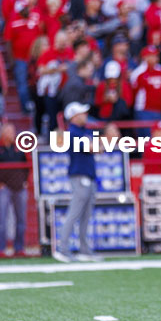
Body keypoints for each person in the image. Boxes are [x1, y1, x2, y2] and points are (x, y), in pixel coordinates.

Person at [55, 101, 99, 263]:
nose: (85, 115)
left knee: (86, 215)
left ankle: (84, 248)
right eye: (81, 113)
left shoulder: (81, 132)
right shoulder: (73, 133)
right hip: (80, 176)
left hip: (87, 175)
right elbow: (93, 147)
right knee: (74, 213)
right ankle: (63, 248)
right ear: (73, 116)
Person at [0, 124, 29, 257]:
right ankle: (0, 249)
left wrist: (25, 181)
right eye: (9, 132)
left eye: (13, 131)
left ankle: (19, 248)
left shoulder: (20, 148)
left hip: (19, 188)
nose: (12, 134)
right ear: (2, 134)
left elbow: (28, 165)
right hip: (4, 188)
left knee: (21, 219)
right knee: (1, 220)